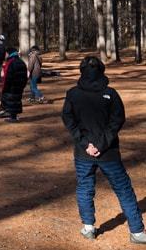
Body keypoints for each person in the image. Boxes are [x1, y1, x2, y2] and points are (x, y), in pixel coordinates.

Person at [61, 56, 146, 244]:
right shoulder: (77, 94)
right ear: (102, 71)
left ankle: (89, 227)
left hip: (99, 152)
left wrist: (93, 145)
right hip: (100, 152)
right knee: (122, 189)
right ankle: (136, 232)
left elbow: (115, 120)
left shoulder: (103, 94)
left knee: (87, 188)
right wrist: (89, 144)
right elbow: (70, 119)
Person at [0, 47, 27, 123]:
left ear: (9, 53)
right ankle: (13, 115)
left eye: (6, 53)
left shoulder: (11, 63)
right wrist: (22, 85)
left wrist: (5, 87)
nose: (5, 55)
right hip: (19, 85)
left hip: (12, 86)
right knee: (16, 100)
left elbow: (8, 77)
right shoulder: (21, 61)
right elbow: (25, 76)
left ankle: (13, 117)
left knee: (12, 101)